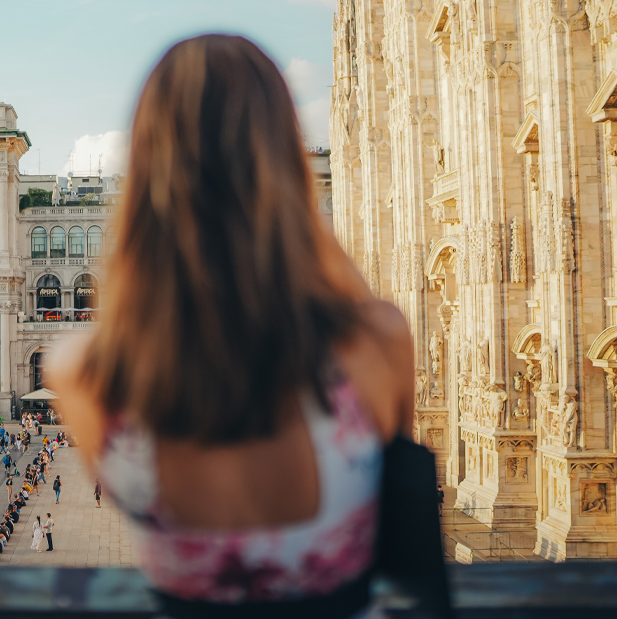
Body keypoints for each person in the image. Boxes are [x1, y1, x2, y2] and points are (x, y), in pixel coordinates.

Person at [49, 35, 415, 617]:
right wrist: (292, 210)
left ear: (145, 172)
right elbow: (398, 488)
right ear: (288, 160)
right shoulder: (379, 342)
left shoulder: (82, 373)